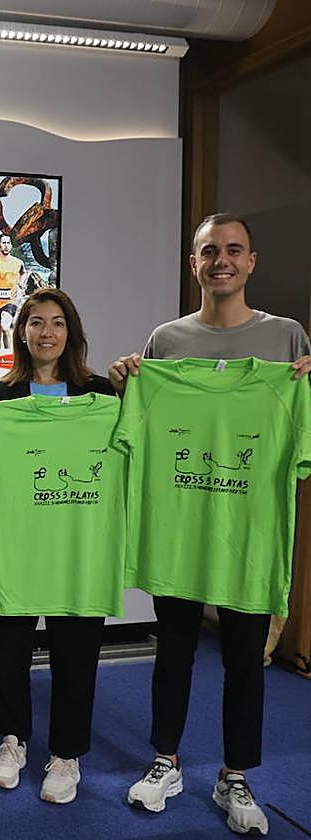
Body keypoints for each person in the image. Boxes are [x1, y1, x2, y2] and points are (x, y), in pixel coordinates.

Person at [110, 213, 311, 836]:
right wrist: (125, 385)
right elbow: (136, 426)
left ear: (250, 262)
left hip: (248, 536)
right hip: (179, 532)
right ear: (193, 263)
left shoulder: (287, 339)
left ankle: (236, 775)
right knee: (172, 651)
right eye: (209, 251)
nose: (221, 260)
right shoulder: (165, 342)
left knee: (246, 659)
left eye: (233, 250)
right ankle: (165, 761)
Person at [0, 287, 117, 805]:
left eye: (56, 322)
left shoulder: (103, 395)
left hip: (80, 550)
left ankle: (67, 753)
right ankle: (12, 740)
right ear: (21, 331)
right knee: (9, 654)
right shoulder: (0, 397)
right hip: (19, 550)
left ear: (71, 332)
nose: (46, 332)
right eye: (35, 322)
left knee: (77, 657)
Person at [0, 234, 25, 349]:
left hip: (11, 301)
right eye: (3, 243)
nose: (6, 246)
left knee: (5, 326)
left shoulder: (18, 262)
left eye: (8, 243)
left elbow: (23, 273)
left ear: (11, 245)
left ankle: (9, 354)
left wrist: (21, 283)